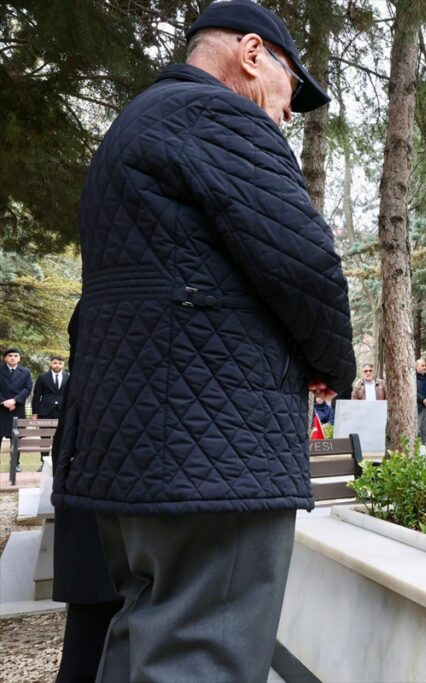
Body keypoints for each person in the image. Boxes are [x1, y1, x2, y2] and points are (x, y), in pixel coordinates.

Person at [50, 2, 356, 681]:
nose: (285, 113)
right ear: (251, 54)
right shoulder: (216, 116)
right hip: (213, 458)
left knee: (141, 646)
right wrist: (333, 365)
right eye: (289, 91)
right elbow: (306, 264)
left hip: (133, 454)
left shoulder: (132, 127)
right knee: (204, 653)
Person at [1, 348, 33, 473]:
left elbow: (27, 388)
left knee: (16, 438)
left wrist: (15, 401)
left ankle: (15, 463)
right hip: (1, 409)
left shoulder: (25, 372)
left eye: (15, 355)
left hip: (17, 409)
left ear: (19, 358)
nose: (13, 357)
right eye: (10, 355)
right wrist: (4, 402)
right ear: (5, 358)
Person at [32, 355, 68, 419]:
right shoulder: (42, 377)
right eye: (55, 363)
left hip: (63, 410)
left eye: (60, 363)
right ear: (51, 363)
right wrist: (34, 413)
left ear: (63, 365)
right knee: (44, 429)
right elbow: (37, 395)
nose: (57, 365)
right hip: (44, 411)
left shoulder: (68, 377)